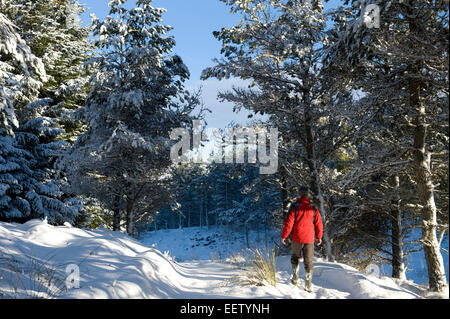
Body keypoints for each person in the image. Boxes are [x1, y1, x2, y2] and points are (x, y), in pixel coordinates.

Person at [281, 186, 323, 292]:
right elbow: (319, 223)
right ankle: (308, 285)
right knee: (308, 262)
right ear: (308, 194)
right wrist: (319, 237)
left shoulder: (294, 206)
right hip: (309, 238)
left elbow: (289, 222)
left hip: (297, 238)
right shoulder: (313, 207)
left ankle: (295, 279)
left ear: (299, 194)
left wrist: (284, 236)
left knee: (295, 258)